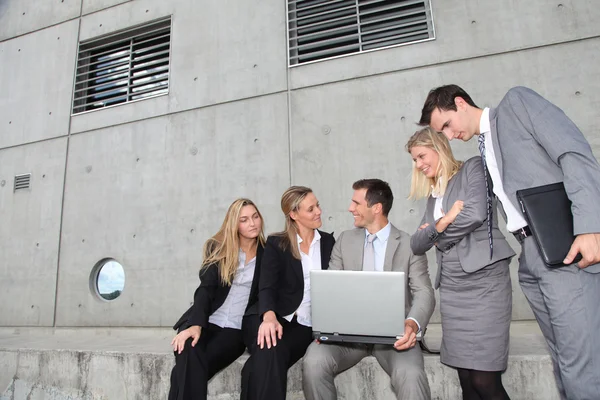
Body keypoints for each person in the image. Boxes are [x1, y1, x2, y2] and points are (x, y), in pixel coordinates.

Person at [419, 84, 600, 399]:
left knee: (580, 365)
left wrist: (589, 227)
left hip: (563, 249)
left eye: (446, 125)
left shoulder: (516, 104)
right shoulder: (484, 147)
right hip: (530, 257)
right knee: (562, 361)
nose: (447, 136)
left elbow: (573, 152)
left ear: (460, 103)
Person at [407, 127, 515, 400]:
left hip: (485, 282)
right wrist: (443, 221)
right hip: (453, 288)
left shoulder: (473, 169)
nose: (419, 165)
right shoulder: (434, 196)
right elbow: (417, 244)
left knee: (484, 381)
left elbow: (475, 215)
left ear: (437, 147)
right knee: (466, 380)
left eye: (421, 156)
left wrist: (437, 236)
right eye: (415, 161)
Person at [302, 179, 435, 400]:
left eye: (356, 203)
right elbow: (332, 289)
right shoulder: (344, 240)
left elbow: (424, 292)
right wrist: (326, 325)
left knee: (411, 375)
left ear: (376, 208)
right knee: (313, 362)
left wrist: (411, 324)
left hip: (396, 338)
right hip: (346, 337)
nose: (350, 208)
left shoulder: (409, 244)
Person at [241, 186, 335, 400]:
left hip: (304, 325)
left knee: (256, 367)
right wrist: (269, 317)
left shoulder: (329, 243)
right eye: (310, 209)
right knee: (270, 347)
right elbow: (267, 286)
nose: (318, 211)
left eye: (317, 205)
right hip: (268, 316)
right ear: (294, 214)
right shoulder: (277, 244)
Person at [168, 198, 266, 400]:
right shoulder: (219, 248)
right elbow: (205, 288)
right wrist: (195, 325)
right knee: (189, 346)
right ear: (234, 224)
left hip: (235, 329)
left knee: (182, 373)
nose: (253, 223)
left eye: (255, 217)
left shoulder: (268, 253)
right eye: (244, 220)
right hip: (205, 320)